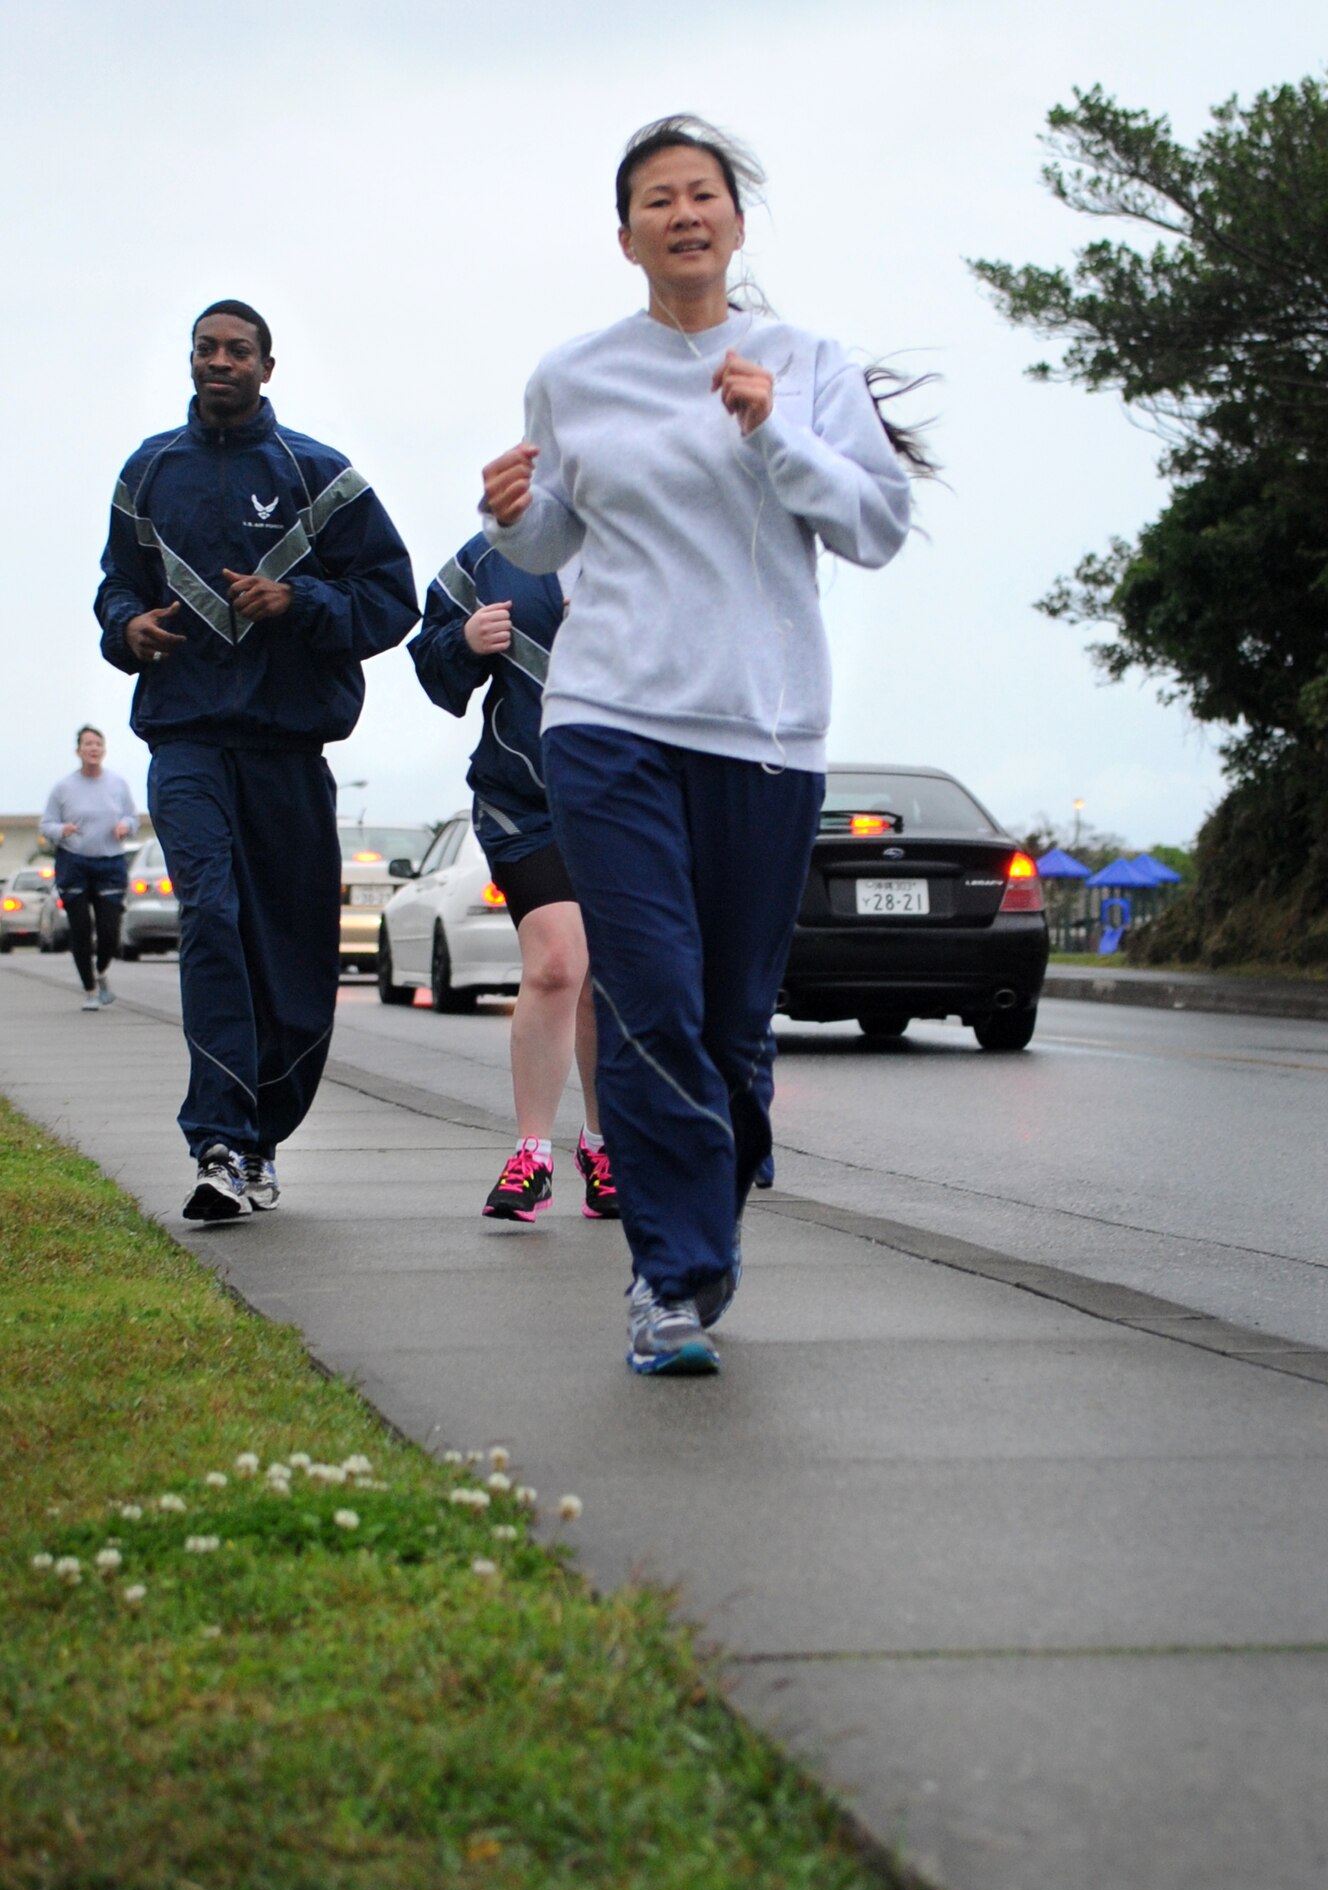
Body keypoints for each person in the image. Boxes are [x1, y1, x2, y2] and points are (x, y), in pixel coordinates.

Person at [482, 115, 921, 1375]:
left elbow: (875, 527)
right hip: (608, 719)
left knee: (729, 1019)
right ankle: (669, 1280)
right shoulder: (572, 376)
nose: (682, 214)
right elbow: (557, 543)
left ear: (735, 220)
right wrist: (514, 518)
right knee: (653, 999)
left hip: (763, 731)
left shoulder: (805, 361)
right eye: (656, 200)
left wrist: (772, 429)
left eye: (702, 194)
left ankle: (707, 1191)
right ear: (624, 237)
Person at [95, 300, 417, 1223]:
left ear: (267, 368)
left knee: (295, 960)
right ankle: (221, 1143)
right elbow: (115, 584)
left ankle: (261, 1135)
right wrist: (129, 626)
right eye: (206, 348)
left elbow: (389, 602)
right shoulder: (149, 471)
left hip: (287, 748)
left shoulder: (321, 477)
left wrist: (299, 602)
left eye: (238, 350)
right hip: (187, 739)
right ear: (191, 361)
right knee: (211, 917)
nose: (219, 362)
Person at [410, 535, 618, 1223]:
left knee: (603, 982)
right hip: (523, 800)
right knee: (559, 962)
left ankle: (603, 1145)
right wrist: (466, 641)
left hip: (626, 798)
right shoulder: (496, 550)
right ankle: (532, 1153)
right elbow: (429, 649)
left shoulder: (652, 528)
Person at [39, 726, 139, 1010]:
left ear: (103, 750)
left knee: (109, 930)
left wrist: (125, 826)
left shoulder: (117, 784)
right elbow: (46, 825)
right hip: (74, 861)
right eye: (87, 744)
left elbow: (133, 818)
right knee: (80, 929)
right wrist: (63, 830)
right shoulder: (64, 788)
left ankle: (102, 969)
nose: (93, 748)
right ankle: (91, 990)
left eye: (98, 743)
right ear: (78, 751)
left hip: (109, 862)